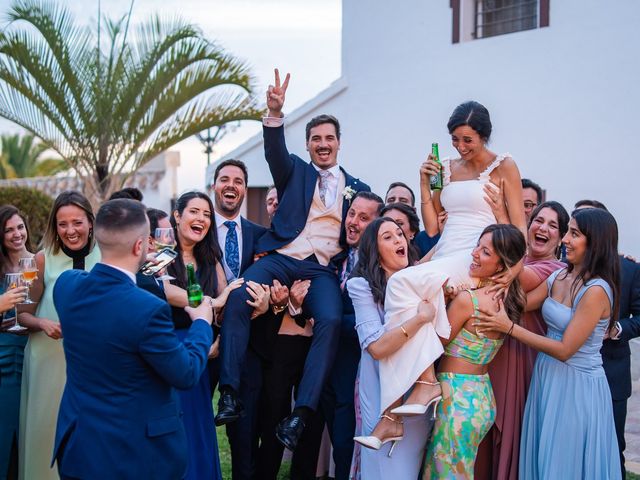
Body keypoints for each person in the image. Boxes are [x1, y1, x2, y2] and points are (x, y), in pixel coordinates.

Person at [217, 69, 370, 452]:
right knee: (239, 296)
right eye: (315, 139)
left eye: (329, 138)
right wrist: (273, 113)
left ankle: (301, 413)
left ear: (339, 144)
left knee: (332, 320)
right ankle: (230, 392)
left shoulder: (359, 189)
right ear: (307, 145)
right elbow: (273, 151)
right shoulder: (294, 173)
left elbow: (368, 225)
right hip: (282, 257)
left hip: (321, 268)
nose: (322, 144)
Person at [380, 101, 526, 437]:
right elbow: (432, 228)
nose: (460, 147)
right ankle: (415, 391)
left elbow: (519, 228)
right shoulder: (445, 167)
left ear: (484, 137)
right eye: (455, 139)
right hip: (446, 251)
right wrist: (423, 183)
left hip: (476, 255)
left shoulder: (505, 166)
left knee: (402, 283)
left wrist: (511, 272)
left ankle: (408, 398)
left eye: (467, 140)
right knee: (407, 295)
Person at [51, 199, 214, 480]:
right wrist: (201, 322)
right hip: (135, 456)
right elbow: (186, 373)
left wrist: (135, 271)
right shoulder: (148, 310)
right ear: (141, 246)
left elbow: (105, 283)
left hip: (80, 449)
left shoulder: (66, 287)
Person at [475, 207, 623, 479]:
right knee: (542, 453)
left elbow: (566, 350)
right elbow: (518, 306)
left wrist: (508, 328)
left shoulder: (597, 290)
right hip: (546, 377)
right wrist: (470, 293)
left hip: (577, 386)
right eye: (568, 232)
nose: (565, 239)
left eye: (574, 234)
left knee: (564, 460)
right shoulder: (559, 276)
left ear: (596, 242)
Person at [164, 191, 261, 480]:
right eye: (194, 212)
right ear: (178, 215)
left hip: (203, 350)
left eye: (207, 214)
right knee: (174, 426)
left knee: (197, 423)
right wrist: (211, 302)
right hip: (168, 350)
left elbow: (224, 305)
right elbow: (161, 290)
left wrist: (217, 338)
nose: (202, 219)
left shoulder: (210, 257)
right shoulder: (161, 254)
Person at [422, 223, 527, 478]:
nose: (474, 254)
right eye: (477, 246)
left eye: (486, 252)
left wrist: (435, 306)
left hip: (456, 397)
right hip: (481, 398)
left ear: (502, 265)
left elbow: (436, 344)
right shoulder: (512, 299)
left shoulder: (468, 300)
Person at [475, 201, 569, 479]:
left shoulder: (555, 270)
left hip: (522, 356)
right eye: (538, 221)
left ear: (561, 238)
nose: (543, 228)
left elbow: (518, 286)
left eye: (552, 225)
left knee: (512, 427)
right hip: (491, 353)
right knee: (483, 429)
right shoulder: (519, 262)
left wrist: (504, 220)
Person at [17, 191, 101, 480]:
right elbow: (20, 313)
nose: (70, 231)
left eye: (77, 222)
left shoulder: (107, 255)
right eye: (62, 224)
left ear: (91, 222)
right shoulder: (42, 260)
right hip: (47, 362)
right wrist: (42, 323)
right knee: (46, 432)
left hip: (93, 362)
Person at [348, 218, 434, 479]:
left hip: (415, 397)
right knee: (381, 469)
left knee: (405, 470)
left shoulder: (419, 281)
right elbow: (376, 347)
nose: (399, 240)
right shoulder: (360, 286)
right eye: (388, 237)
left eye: (400, 234)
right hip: (378, 390)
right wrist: (419, 319)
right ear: (374, 250)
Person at [209, 159, 272, 480]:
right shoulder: (197, 230)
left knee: (243, 433)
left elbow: (274, 281)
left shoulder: (261, 235)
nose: (231, 185)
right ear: (214, 187)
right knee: (188, 419)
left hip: (248, 346)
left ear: (245, 190)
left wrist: (267, 300)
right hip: (203, 341)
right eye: (224, 179)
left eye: (237, 181)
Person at [574, 199, 640, 478]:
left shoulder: (629, 269)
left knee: (613, 447)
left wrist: (616, 329)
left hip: (611, 374)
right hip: (571, 374)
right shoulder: (565, 270)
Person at [0, 205, 30, 480]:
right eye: (8, 230)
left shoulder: (38, 263)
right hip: (4, 364)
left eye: (19, 227)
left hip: (34, 356)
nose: (16, 234)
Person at [384, 181, 439, 257]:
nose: (396, 203)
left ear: (414, 211)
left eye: (403, 201)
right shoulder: (374, 241)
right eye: (391, 200)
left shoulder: (427, 239)